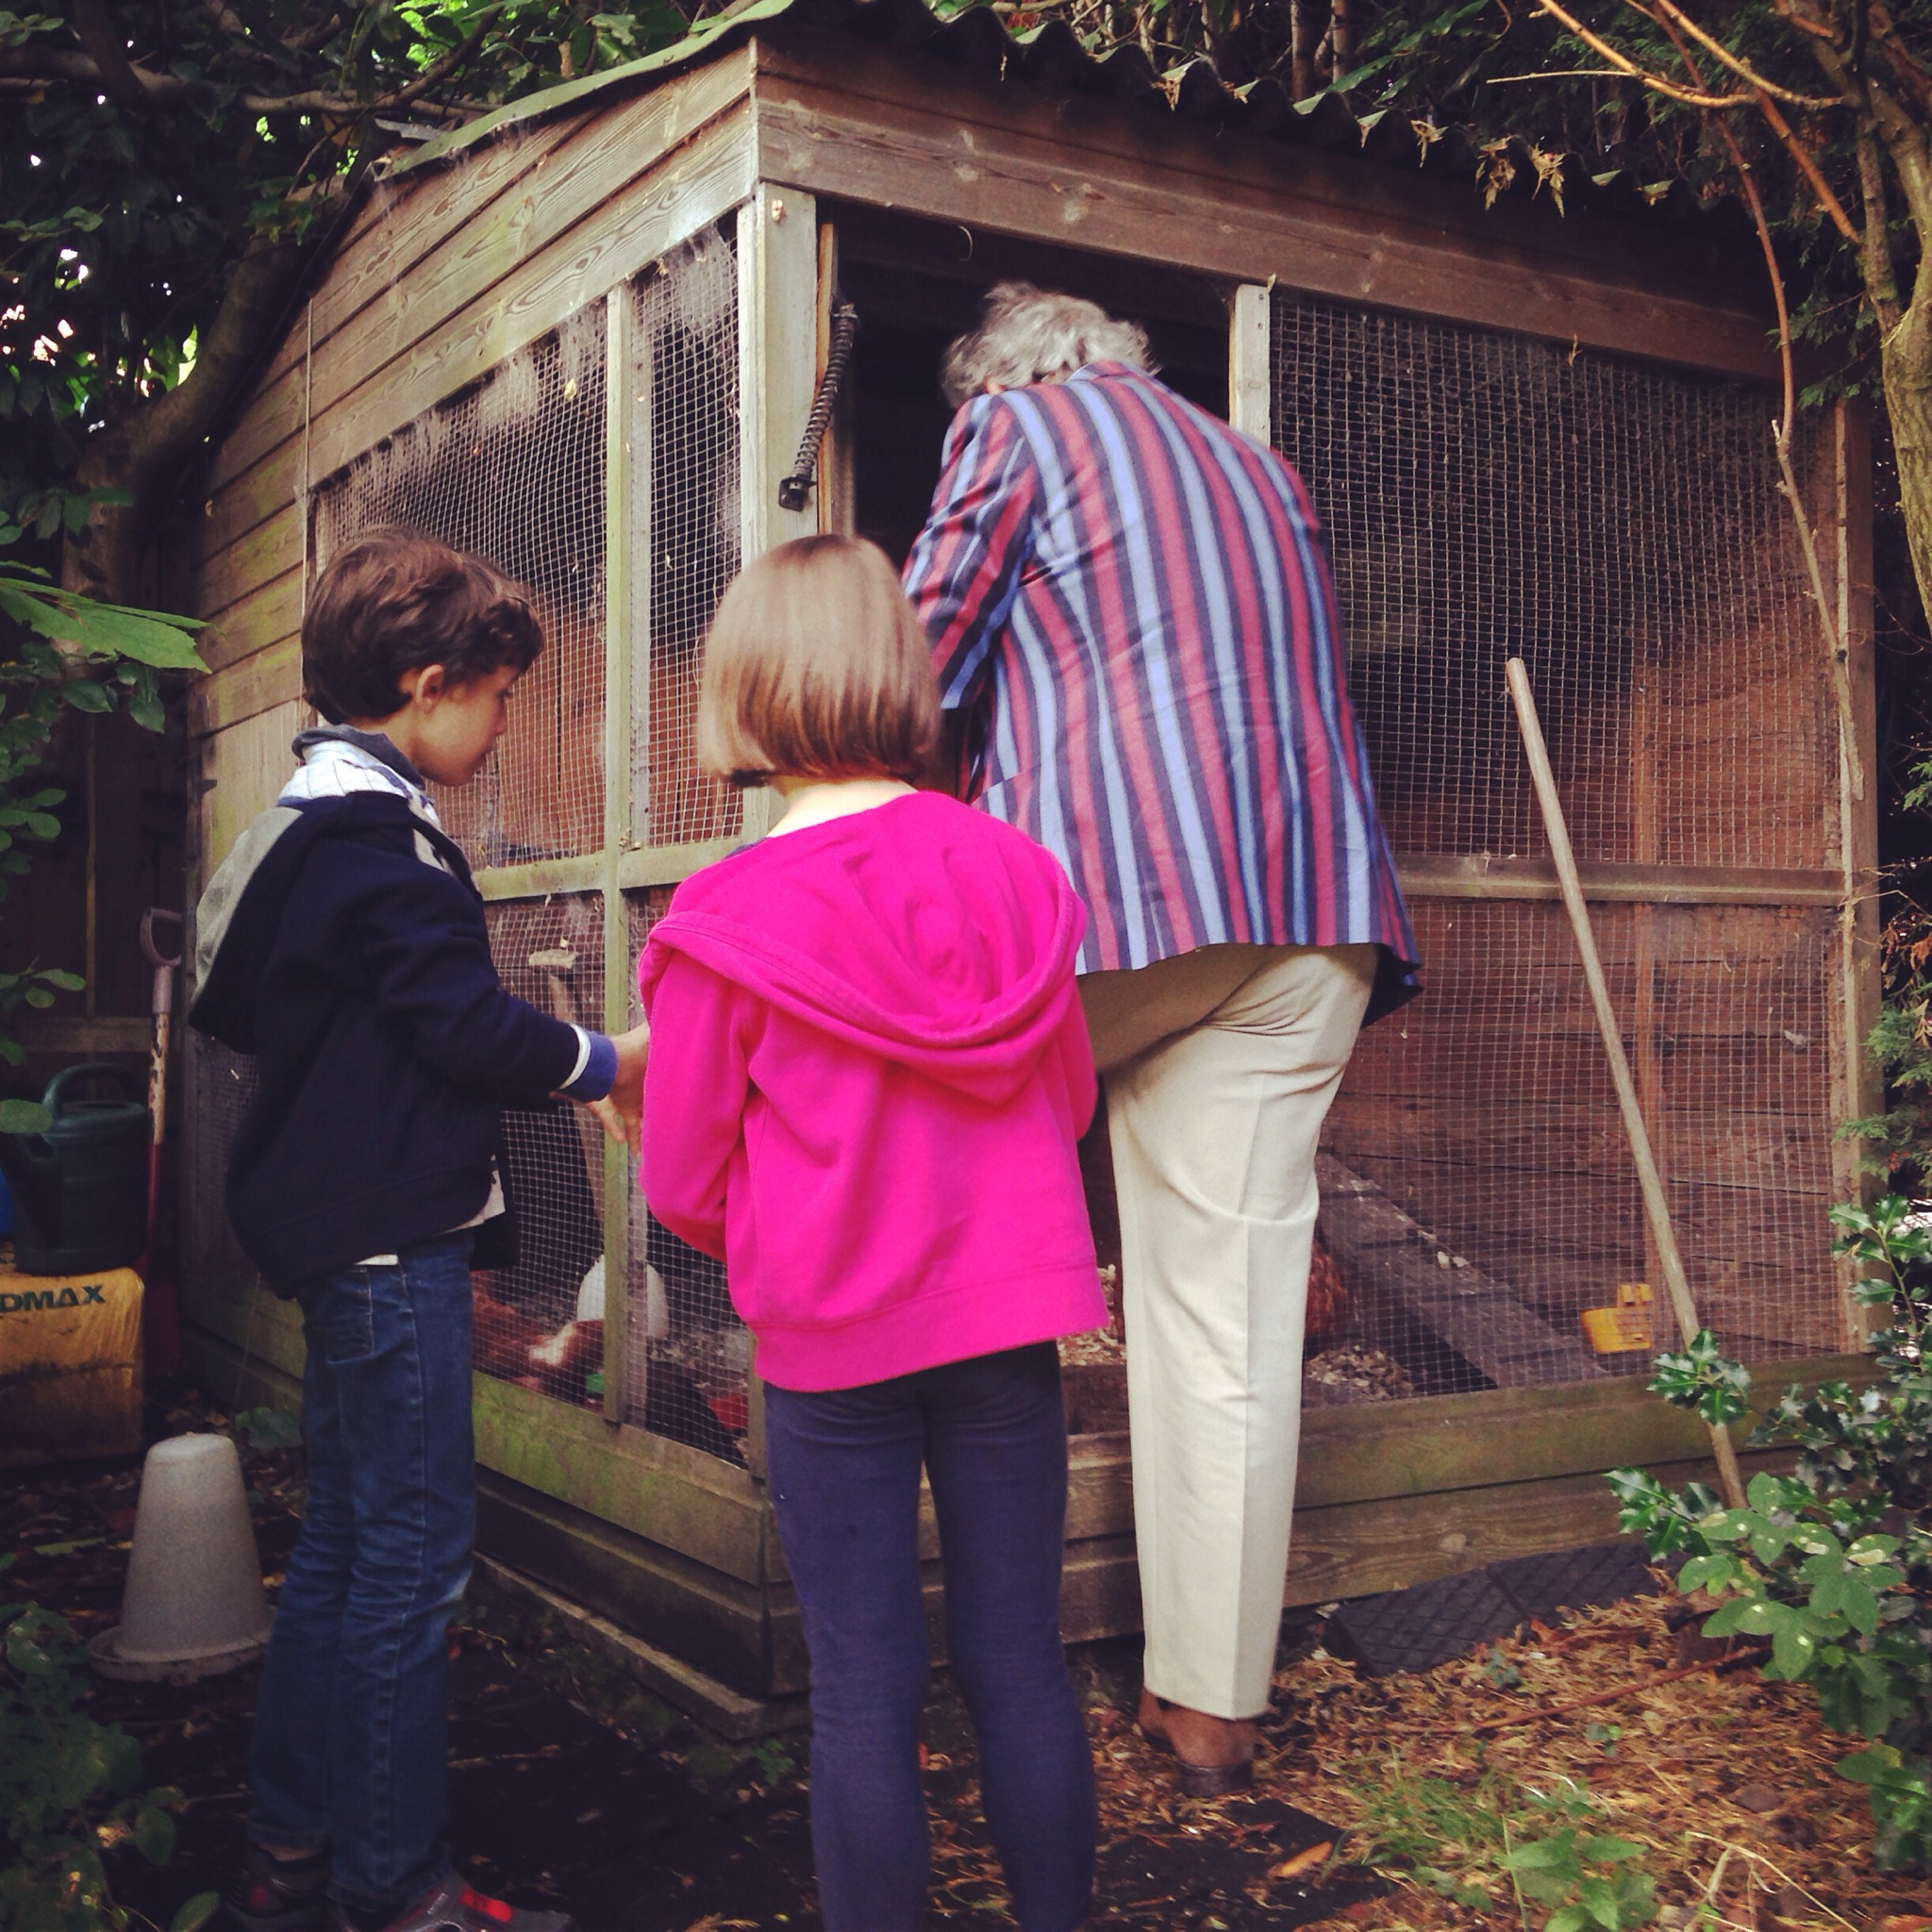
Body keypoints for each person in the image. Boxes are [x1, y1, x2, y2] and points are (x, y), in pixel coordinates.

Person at [903, 283, 1421, 1796]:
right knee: (1229, 1318)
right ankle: (1210, 1708)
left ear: (997, 382)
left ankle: (913, 1617)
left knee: (898, 1118)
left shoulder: (1010, 431)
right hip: (1311, 911)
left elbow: (906, 672)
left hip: (1115, 903)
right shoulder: (1262, 468)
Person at [636, 535, 1106, 1932]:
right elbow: (1069, 1098)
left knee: (862, 1691)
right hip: (1007, 1327)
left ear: (743, 687)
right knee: (1019, 1661)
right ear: (901, 672)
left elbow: (685, 1173)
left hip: (831, 1342)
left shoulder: (725, 916)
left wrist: (784, 1233)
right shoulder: (1021, 874)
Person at [191, 527, 647, 1932]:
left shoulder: (301, 825)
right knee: (411, 1560)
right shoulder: (377, 843)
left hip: (343, 1240)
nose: (505, 726)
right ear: (426, 682)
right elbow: (466, 1028)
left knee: (346, 1545)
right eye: (497, 698)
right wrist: (611, 1061)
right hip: (392, 1246)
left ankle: (293, 1856)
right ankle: (397, 1894)